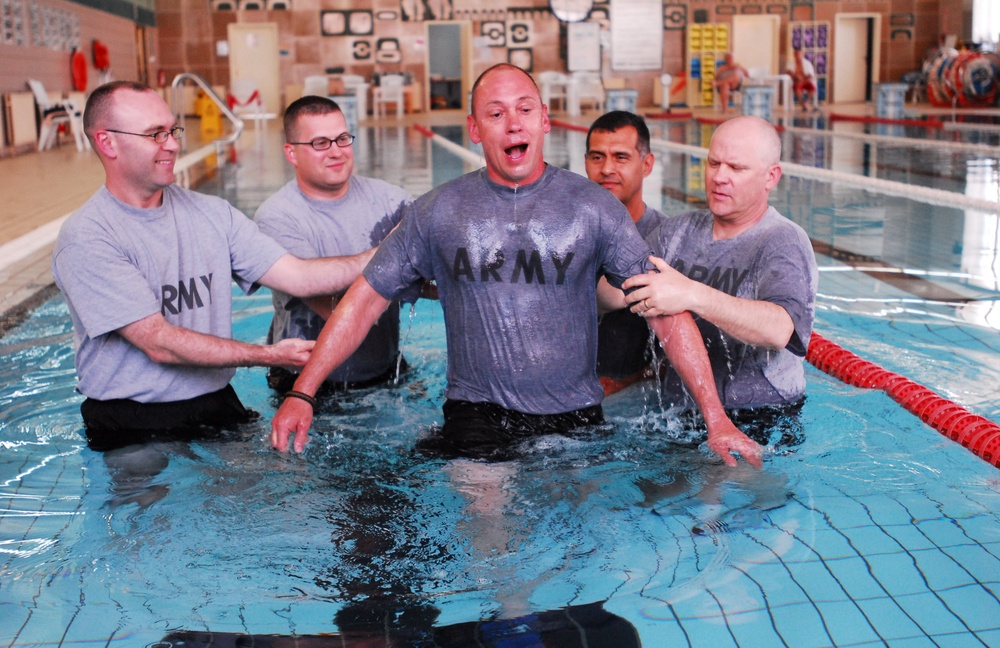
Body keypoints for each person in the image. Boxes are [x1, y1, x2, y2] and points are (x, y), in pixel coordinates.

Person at [270, 64, 761, 467]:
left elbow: (666, 312)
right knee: (497, 559)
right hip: (477, 417)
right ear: (474, 128)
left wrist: (716, 419)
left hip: (575, 415)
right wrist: (304, 391)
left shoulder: (593, 208)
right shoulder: (438, 211)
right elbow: (362, 302)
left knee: (581, 558)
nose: (513, 123)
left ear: (545, 120)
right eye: (496, 113)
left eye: (525, 110)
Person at [51, 81, 376, 450]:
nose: (173, 144)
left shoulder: (211, 214)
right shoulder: (88, 237)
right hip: (130, 421)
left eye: (172, 130)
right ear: (107, 142)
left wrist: (382, 255)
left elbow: (298, 276)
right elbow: (159, 344)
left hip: (216, 402)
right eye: (155, 134)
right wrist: (268, 355)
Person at [622, 115, 818, 427]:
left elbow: (780, 329)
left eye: (736, 168)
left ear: (771, 177)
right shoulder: (676, 232)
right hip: (678, 413)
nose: (719, 177)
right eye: (714, 163)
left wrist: (691, 294)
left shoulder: (781, 241)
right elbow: (614, 290)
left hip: (762, 415)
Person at [255, 95, 414, 393]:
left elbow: (435, 269)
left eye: (342, 138)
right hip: (306, 382)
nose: (336, 152)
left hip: (387, 369)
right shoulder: (277, 218)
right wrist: (397, 254)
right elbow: (334, 308)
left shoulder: (390, 200)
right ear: (291, 153)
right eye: (320, 143)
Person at [584, 110, 669, 395]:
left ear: (646, 164)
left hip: (635, 402)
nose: (607, 168)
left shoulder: (668, 240)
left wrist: (623, 385)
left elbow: (687, 348)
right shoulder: (565, 233)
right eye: (597, 157)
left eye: (621, 157)